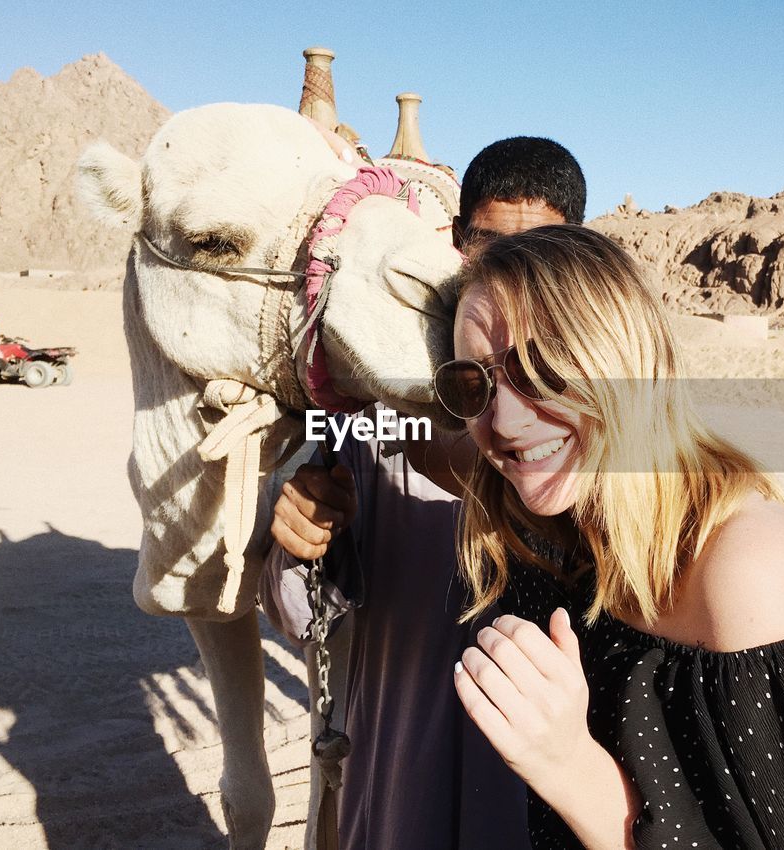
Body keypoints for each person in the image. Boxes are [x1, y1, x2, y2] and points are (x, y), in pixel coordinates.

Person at [439, 224, 784, 849]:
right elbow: (415, 435)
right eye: (474, 384)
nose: (505, 421)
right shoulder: (551, 514)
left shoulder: (749, 571)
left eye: (541, 370)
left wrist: (566, 764)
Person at [259, 137, 587, 850]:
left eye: (541, 250)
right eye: (490, 246)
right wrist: (301, 540)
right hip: (397, 778)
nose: (508, 274)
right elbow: (300, 616)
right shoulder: (372, 411)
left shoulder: (597, 425)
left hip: (539, 795)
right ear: (458, 245)